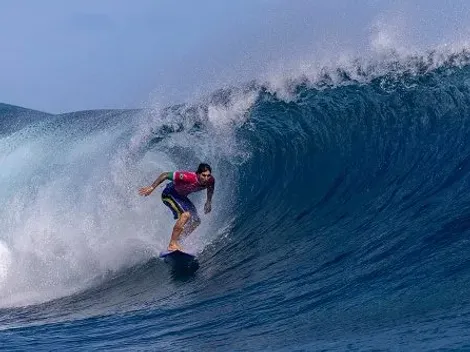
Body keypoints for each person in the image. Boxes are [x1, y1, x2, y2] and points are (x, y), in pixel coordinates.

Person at [138, 163, 215, 251]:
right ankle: (172, 244)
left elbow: (210, 188)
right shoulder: (188, 177)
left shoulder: (210, 180)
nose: (206, 178)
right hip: (169, 194)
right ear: (198, 174)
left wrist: (208, 201)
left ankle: (178, 240)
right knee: (186, 215)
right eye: (203, 175)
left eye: (208, 175)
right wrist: (152, 187)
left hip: (181, 197)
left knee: (196, 221)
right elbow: (165, 175)